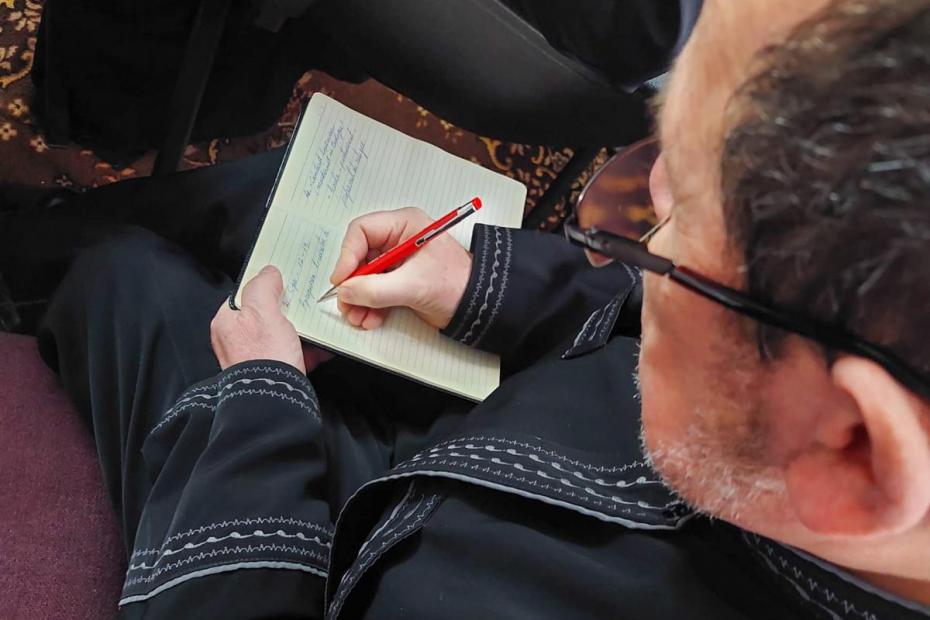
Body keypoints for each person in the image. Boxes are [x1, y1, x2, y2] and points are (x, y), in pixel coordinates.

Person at [5, 0, 930, 618]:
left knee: (123, 276)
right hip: (477, 439)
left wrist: (256, 414)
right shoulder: (809, 400)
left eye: (660, 238)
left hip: (319, 553)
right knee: (263, 200)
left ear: (854, 449)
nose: (636, 235)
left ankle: (40, 265)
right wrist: (480, 282)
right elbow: (629, 312)